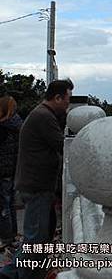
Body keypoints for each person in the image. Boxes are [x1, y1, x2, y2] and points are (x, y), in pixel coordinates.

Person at [0, 80, 73, 279]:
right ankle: (21, 274)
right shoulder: (43, 117)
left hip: (37, 185)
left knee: (42, 234)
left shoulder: (43, 114)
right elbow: (63, 146)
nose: (68, 103)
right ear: (57, 98)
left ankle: (15, 272)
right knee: (35, 237)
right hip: (36, 186)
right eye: (67, 99)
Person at [0, 97, 22, 252]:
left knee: (3, 205)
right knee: (10, 204)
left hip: (2, 171)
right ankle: (12, 236)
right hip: (12, 170)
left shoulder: (2, 127)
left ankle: (7, 238)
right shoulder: (17, 125)